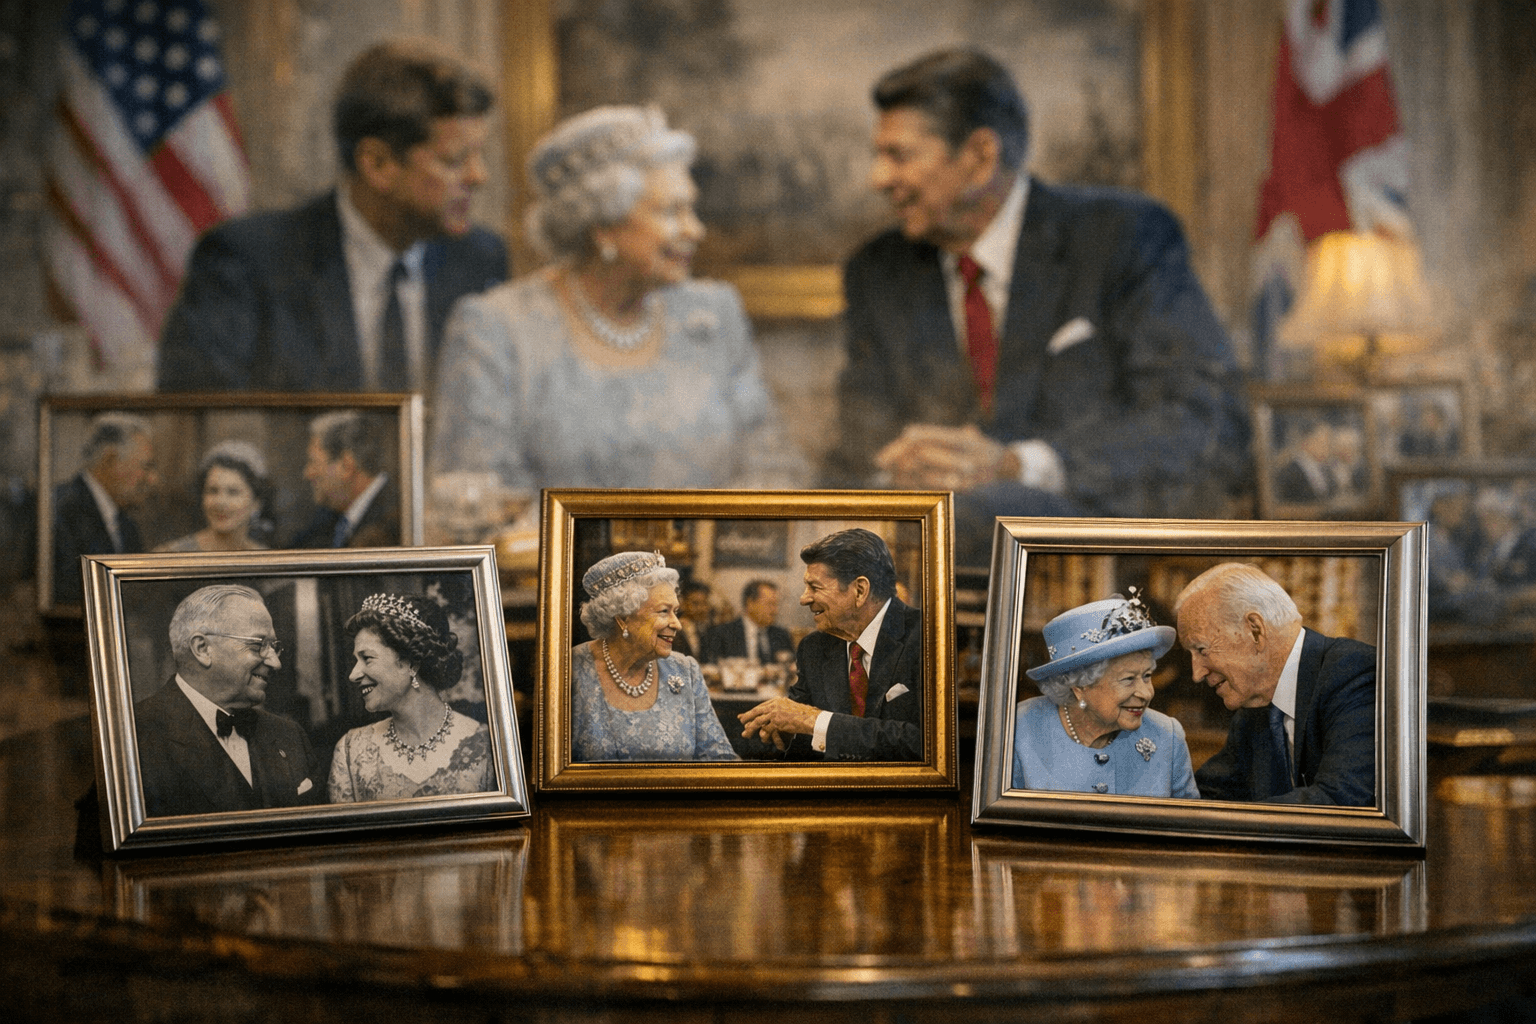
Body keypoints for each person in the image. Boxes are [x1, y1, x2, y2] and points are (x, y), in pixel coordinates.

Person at [822, 49, 1248, 564]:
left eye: (899, 155)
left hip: (1103, 567)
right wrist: (892, 468)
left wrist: (1017, 463)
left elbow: (1206, 420)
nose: (878, 178)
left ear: (980, 156)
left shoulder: (1123, 237)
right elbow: (855, 447)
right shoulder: (878, 271)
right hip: (930, 581)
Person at [428, 105, 804, 496]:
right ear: (603, 225)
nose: (695, 230)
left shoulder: (713, 314)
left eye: (690, 208)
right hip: (554, 558)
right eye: (670, 211)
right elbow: (472, 495)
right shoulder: (496, 327)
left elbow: (772, 467)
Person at [157, 39, 508, 393]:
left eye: (479, 156)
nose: (479, 177)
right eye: (454, 160)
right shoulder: (246, 264)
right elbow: (199, 426)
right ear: (377, 164)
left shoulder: (482, 261)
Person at [1175, 562, 1376, 806]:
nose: (1197, 673)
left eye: (1201, 649)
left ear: (1255, 631)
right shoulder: (1253, 708)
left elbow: (1340, 800)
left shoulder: (1353, 673)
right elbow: (1208, 796)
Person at [738, 529, 922, 761]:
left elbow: (925, 743)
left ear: (860, 590)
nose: (804, 599)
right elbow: (802, 733)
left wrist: (815, 721)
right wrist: (783, 732)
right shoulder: (814, 647)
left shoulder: (927, 637)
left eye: (815, 587)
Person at [134, 585, 317, 817]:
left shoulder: (290, 736)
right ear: (203, 649)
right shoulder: (133, 738)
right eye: (258, 645)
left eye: (274, 647)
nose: (275, 663)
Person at [1012, 592, 1198, 798]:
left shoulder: (1167, 736)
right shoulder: (1020, 728)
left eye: (1147, 676)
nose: (1146, 693)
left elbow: (1188, 826)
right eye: (1128, 679)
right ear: (1080, 686)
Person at [571, 550, 739, 762]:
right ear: (623, 617)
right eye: (663, 611)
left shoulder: (685, 671)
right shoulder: (570, 669)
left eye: (675, 612)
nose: (677, 624)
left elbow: (720, 758)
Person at [328, 592, 492, 802]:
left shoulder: (485, 746)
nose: (353, 675)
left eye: (367, 658)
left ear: (410, 663)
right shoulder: (352, 750)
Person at [52, 412, 157, 604]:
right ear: (110, 460)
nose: (152, 479)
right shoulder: (60, 510)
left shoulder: (127, 528)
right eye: (145, 466)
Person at [289, 411, 399, 548]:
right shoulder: (328, 518)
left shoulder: (396, 521)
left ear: (347, 466)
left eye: (314, 463)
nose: (307, 473)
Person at [154, 441, 274, 552]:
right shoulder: (171, 554)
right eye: (212, 491)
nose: (220, 502)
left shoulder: (265, 558)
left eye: (233, 492)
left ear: (256, 503)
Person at [699, 580, 794, 666]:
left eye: (776, 605)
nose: (775, 611)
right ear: (750, 604)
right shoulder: (722, 634)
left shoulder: (781, 635)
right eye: (770, 604)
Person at [673, 578, 713, 660]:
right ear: (683, 604)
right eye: (695, 603)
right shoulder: (674, 631)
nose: (701, 609)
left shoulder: (704, 630)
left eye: (704, 603)